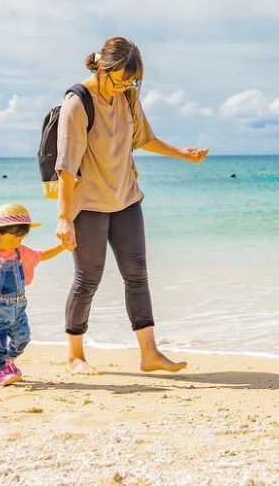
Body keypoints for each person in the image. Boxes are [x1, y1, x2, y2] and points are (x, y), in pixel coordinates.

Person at [54, 36, 208, 375]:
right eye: (118, 79)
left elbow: (144, 138)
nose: (122, 87)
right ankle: (75, 355)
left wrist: (182, 153)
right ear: (103, 68)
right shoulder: (77, 103)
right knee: (88, 278)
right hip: (89, 204)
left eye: (129, 81)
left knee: (137, 275)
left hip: (126, 198)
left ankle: (149, 353)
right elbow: (65, 167)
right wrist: (64, 218)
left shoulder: (127, 96)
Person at [0, 202, 66, 386]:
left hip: (18, 308)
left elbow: (41, 255)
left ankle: (8, 361)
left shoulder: (20, 252)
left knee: (23, 338)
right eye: (11, 239)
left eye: (20, 239)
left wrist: (63, 247)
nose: (16, 243)